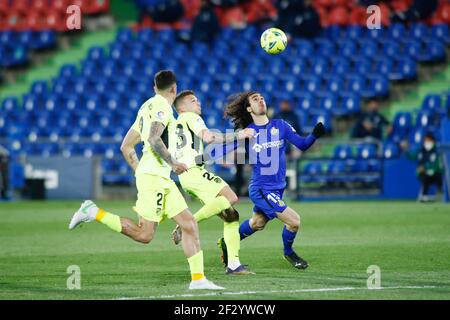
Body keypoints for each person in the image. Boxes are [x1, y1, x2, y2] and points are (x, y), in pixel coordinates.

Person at [68, 70, 223, 290]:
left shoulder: (145, 107)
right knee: (145, 234)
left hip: (158, 177)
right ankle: (93, 212)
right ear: (174, 89)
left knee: (189, 224)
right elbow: (153, 137)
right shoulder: (162, 107)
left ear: (154, 88)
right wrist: (170, 164)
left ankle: (198, 280)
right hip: (155, 177)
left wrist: (139, 171)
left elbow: (126, 146)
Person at [218, 91, 325, 269]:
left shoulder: (281, 125)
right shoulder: (248, 132)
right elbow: (220, 147)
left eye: (262, 98)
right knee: (294, 221)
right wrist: (205, 158)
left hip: (277, 188)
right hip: (261, 189)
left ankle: (227, 240)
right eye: (255, 99)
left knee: (257, 223)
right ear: (249, 108)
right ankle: (289, 253)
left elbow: (302, 144)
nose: (260, 100)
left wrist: (314, 135)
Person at [170, 90, 254, 275]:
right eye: (193, 100)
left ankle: (233, 265)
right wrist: (239, 135)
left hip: (188, 176)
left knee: (232, 216)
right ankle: (186, 225)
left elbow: (196, 149)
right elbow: (210, 137)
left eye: (198, 99)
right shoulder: (190, 117)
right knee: (231, 197)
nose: (198, 103)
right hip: (194, 172)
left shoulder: (177, 125)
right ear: (182, 108)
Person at [402, 132, 443, 202]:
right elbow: (411, 156)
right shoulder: (421, 150)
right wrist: (406, 150)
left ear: (433, 141)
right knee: (425, 178)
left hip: (435, 173)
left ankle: (441, 194)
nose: (427, 142)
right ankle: (424, 196)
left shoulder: (436, 151)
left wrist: (424, 167)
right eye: (425, 140)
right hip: (424, 174)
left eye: (429, 140)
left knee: (439, 177)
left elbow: (435, 164)